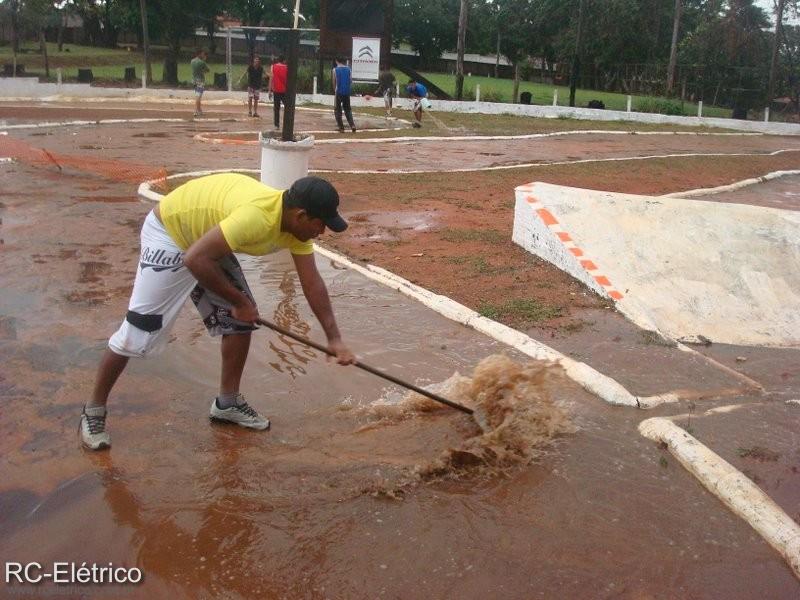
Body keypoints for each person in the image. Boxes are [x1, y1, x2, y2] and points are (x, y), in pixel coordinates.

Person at [79, 173, 356, 450]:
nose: (322, 232)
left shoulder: (296, 229)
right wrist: (238, 302)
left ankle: (227, 403)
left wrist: (334, 338)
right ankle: (93, 412)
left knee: (241, 323)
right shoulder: (256, 218)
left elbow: (312, 283)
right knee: (139, 332)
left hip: (207, 239)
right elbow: (195, 259)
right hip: (171, 232)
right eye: (320, 224)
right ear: (301, 215)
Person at [332, 57, 356, 133]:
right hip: (347, 92)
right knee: (348, 109)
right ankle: (352, 125)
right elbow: (350, 81)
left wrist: (334, 90)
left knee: (337, 110)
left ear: (336, 61)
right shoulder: (349, 69)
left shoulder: (335, 70)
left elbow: (334, 81)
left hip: (338, 92)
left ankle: (341, 127)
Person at [269, 56, 288, 129]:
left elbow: (271, 78)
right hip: (285, 91)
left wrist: (269, 90)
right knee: (287, 108)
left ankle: (276, 125)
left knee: (276, 108)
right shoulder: (287, 68)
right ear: (284, 60)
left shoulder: (273, 67)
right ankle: (286, 124)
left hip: (276, 90)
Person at [191, 49, 210, 118]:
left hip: (194, 80)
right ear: (199, 54)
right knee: (198, 96)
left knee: (197, 95)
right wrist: (204, 61)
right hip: (200, 81)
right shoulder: (202, 62)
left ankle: (199, 110)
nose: (203, 55)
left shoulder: (192, 61)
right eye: (202, 54)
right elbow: (208, 70)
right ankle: (196, 111)